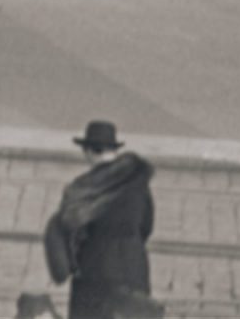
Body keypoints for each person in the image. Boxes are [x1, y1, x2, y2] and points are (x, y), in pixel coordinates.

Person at [31, 121, 161, 319]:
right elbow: (146, 226)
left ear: (88, 151)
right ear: (114, 150)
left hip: (93, 276)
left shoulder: (82, 189)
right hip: (134, 271)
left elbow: (70, 233)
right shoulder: (138, 183)